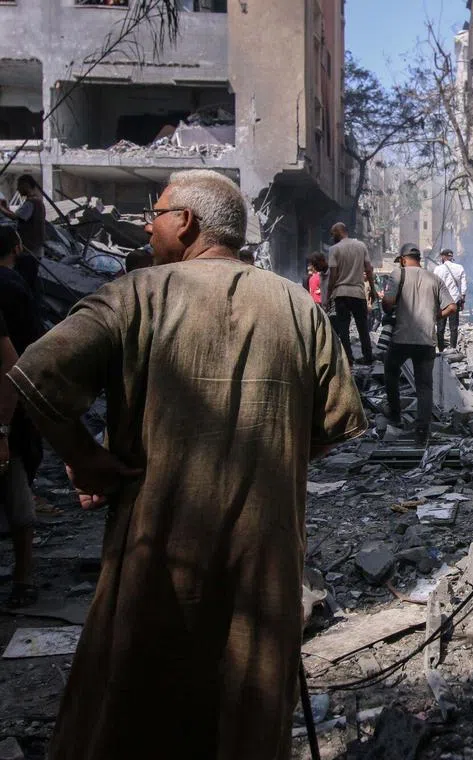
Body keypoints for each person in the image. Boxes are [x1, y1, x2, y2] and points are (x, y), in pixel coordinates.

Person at [3, 169, 366, 760]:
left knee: (135, 704)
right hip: (262, 562)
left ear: (187, 223)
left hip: (156, 555)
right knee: (245, 714)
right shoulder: (298, 308)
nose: (148, 225)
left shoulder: (136, 295)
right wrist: (264, 460)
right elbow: (332, 425)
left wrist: (85, 458)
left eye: (156, 212)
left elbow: (34, 374)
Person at [0, 225, 43, 608]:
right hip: (16, 400)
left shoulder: (15, 284)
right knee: (18, 487)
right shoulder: (17, 285)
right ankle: (23, 578)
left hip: (8, 402)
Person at [382, 245, 456, 447]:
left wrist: (387, 305)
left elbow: (388, 302)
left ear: (404, 259)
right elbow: (452, 307)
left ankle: (395, 415)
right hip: (426, 340)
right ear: (418, 258)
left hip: (401, 338)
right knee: (424, 386)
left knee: (390, 371)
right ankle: (422, 431)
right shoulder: (434, 278)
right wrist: (434, 316)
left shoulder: (398, 273)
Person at [327, 222, 375, 366]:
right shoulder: (361, 246)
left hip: (341, 293)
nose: (332, 236)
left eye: (332, 233)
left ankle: (348, 358)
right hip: (358, 293)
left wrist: (329, 295)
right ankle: (368, 357)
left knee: (343, 328)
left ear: (338, 232)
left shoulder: (334, 249)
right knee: (363, 327)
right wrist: (372, 288)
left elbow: (333, 275)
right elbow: (369, 269)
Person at [1, 174, 47, 297]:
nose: (18, 189)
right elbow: (18, 216)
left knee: (24, 281)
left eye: (19, 186)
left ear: (26, 185)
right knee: (29, 281)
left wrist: (1, 208)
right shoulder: (37, 201)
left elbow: (15, 217)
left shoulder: (31, 203)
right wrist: (5, 208)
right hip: (35, 249)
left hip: (29, 250)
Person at [433, 248, 466, 351]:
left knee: (440, 326)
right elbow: (464, 286)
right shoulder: (459, 267)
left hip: (441, 300)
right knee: (454, 326)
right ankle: (453, 348)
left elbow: (434, 285)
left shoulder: (438, 269)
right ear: (451, 257)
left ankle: (441, 348)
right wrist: (463, 299)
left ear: (443, 257)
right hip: (454, 300)